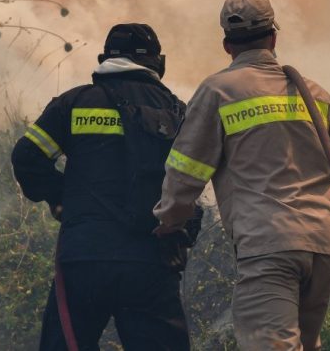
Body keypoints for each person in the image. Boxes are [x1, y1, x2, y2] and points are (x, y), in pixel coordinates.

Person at [153, 0, 330, 350]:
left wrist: (169, 220)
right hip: (322, 246)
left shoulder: (219, 91)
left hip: (268, 245)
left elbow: (186, 170)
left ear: (226, 45)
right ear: (274, 37)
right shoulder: (315, 94)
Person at [12, 23, 198, 351]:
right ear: (159, 63)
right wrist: (182, 231)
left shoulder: (73, 103)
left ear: (103, 59)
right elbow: (192, 184)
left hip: (84, 259)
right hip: (150, 262)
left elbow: (27, 157)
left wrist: (60, 198)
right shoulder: (176, 112)